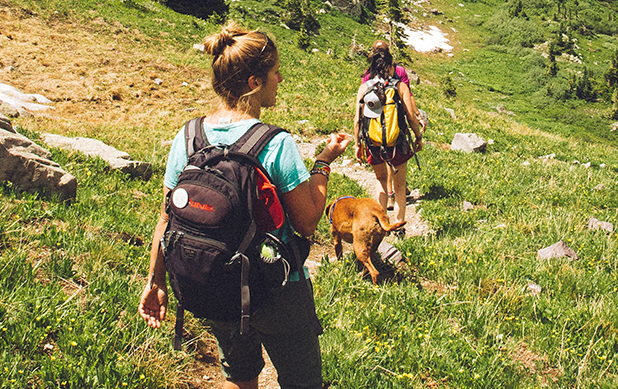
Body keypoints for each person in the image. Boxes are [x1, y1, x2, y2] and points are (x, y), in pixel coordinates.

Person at [139, 22, 350, 389]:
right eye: (274, 72)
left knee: (239, 375)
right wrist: (323, 163)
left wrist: (155, 281)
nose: (280, 79)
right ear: (254, 83)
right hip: (276, 286)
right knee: (302, 380)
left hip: (215, 281)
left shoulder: (188, 137)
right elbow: (307, 222)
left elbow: (165, 217)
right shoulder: (274, 143)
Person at [353, 42, 424, 223]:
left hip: (373, 143)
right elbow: (410, 117)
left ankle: (381, 224)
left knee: (381, 181)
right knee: (400, 188)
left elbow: (357, 120)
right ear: (391, 65)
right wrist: (418, 137)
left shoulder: (364, 87)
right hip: (397, 142)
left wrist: (357, 144)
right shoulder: (400, 86)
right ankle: (399, 226)